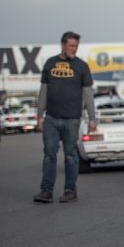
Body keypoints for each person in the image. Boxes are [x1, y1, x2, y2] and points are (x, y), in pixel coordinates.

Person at [33, 31, 97, 203]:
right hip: (51, 119)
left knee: (70, 155)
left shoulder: (82, 66)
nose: (74, 49)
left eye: (76, 46)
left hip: (72, 119)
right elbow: (44, 91)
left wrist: (92, 118)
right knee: (49, 154)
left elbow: (88, 94)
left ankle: (70, 191)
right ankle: (46, 191)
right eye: (71, 46)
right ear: (63, 45)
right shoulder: (50, 63)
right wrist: (39, 115)